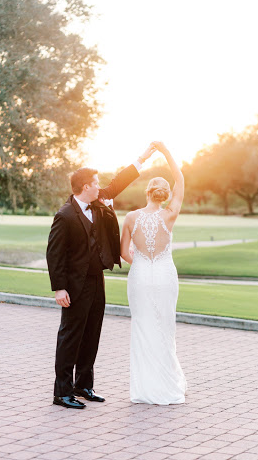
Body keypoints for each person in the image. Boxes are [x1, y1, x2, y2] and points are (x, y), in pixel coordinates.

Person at [47, 144, 156, 409]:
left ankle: (83, 385)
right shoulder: (65, 215)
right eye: (95, 183)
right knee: (70, 336)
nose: (100, 187)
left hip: (97, 279)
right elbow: (54, 254)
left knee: (92, 333)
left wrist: (142, 157)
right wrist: (59, 289)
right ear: (85, 187)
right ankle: (62, 393)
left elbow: (118, 182)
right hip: (74, 285)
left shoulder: (97, 202)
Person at [120, 141, 187, 405]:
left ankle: (144, 389)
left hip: (139, 277)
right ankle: (166, 383)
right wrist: (167, 152)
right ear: (164, 195)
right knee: (165, 328)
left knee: (142, 326)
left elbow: (124, 253)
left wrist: (140, 261)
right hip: (165, 276)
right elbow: (180, 178)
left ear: (147, 192)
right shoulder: (170, 214)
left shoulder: (130, 218)